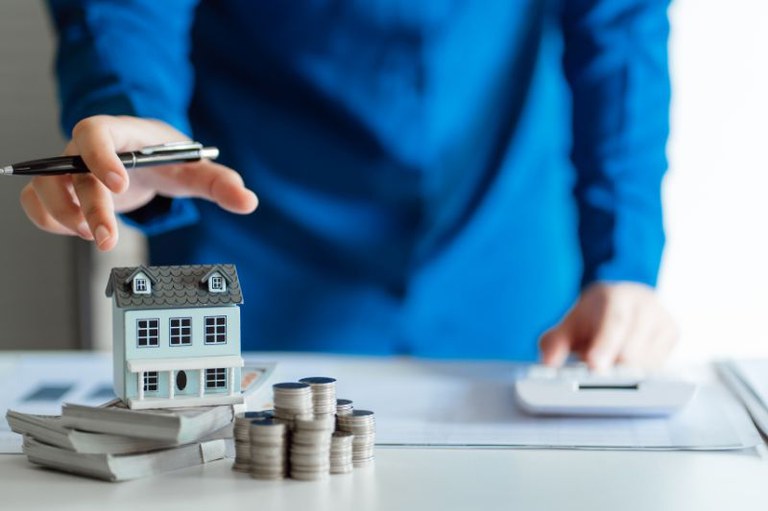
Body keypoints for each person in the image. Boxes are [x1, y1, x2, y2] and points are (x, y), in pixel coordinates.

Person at [22, 0, 677, 368]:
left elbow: (620, 27)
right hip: (254, 224)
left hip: (501, 232)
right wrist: (136, 112)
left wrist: (622, 256)